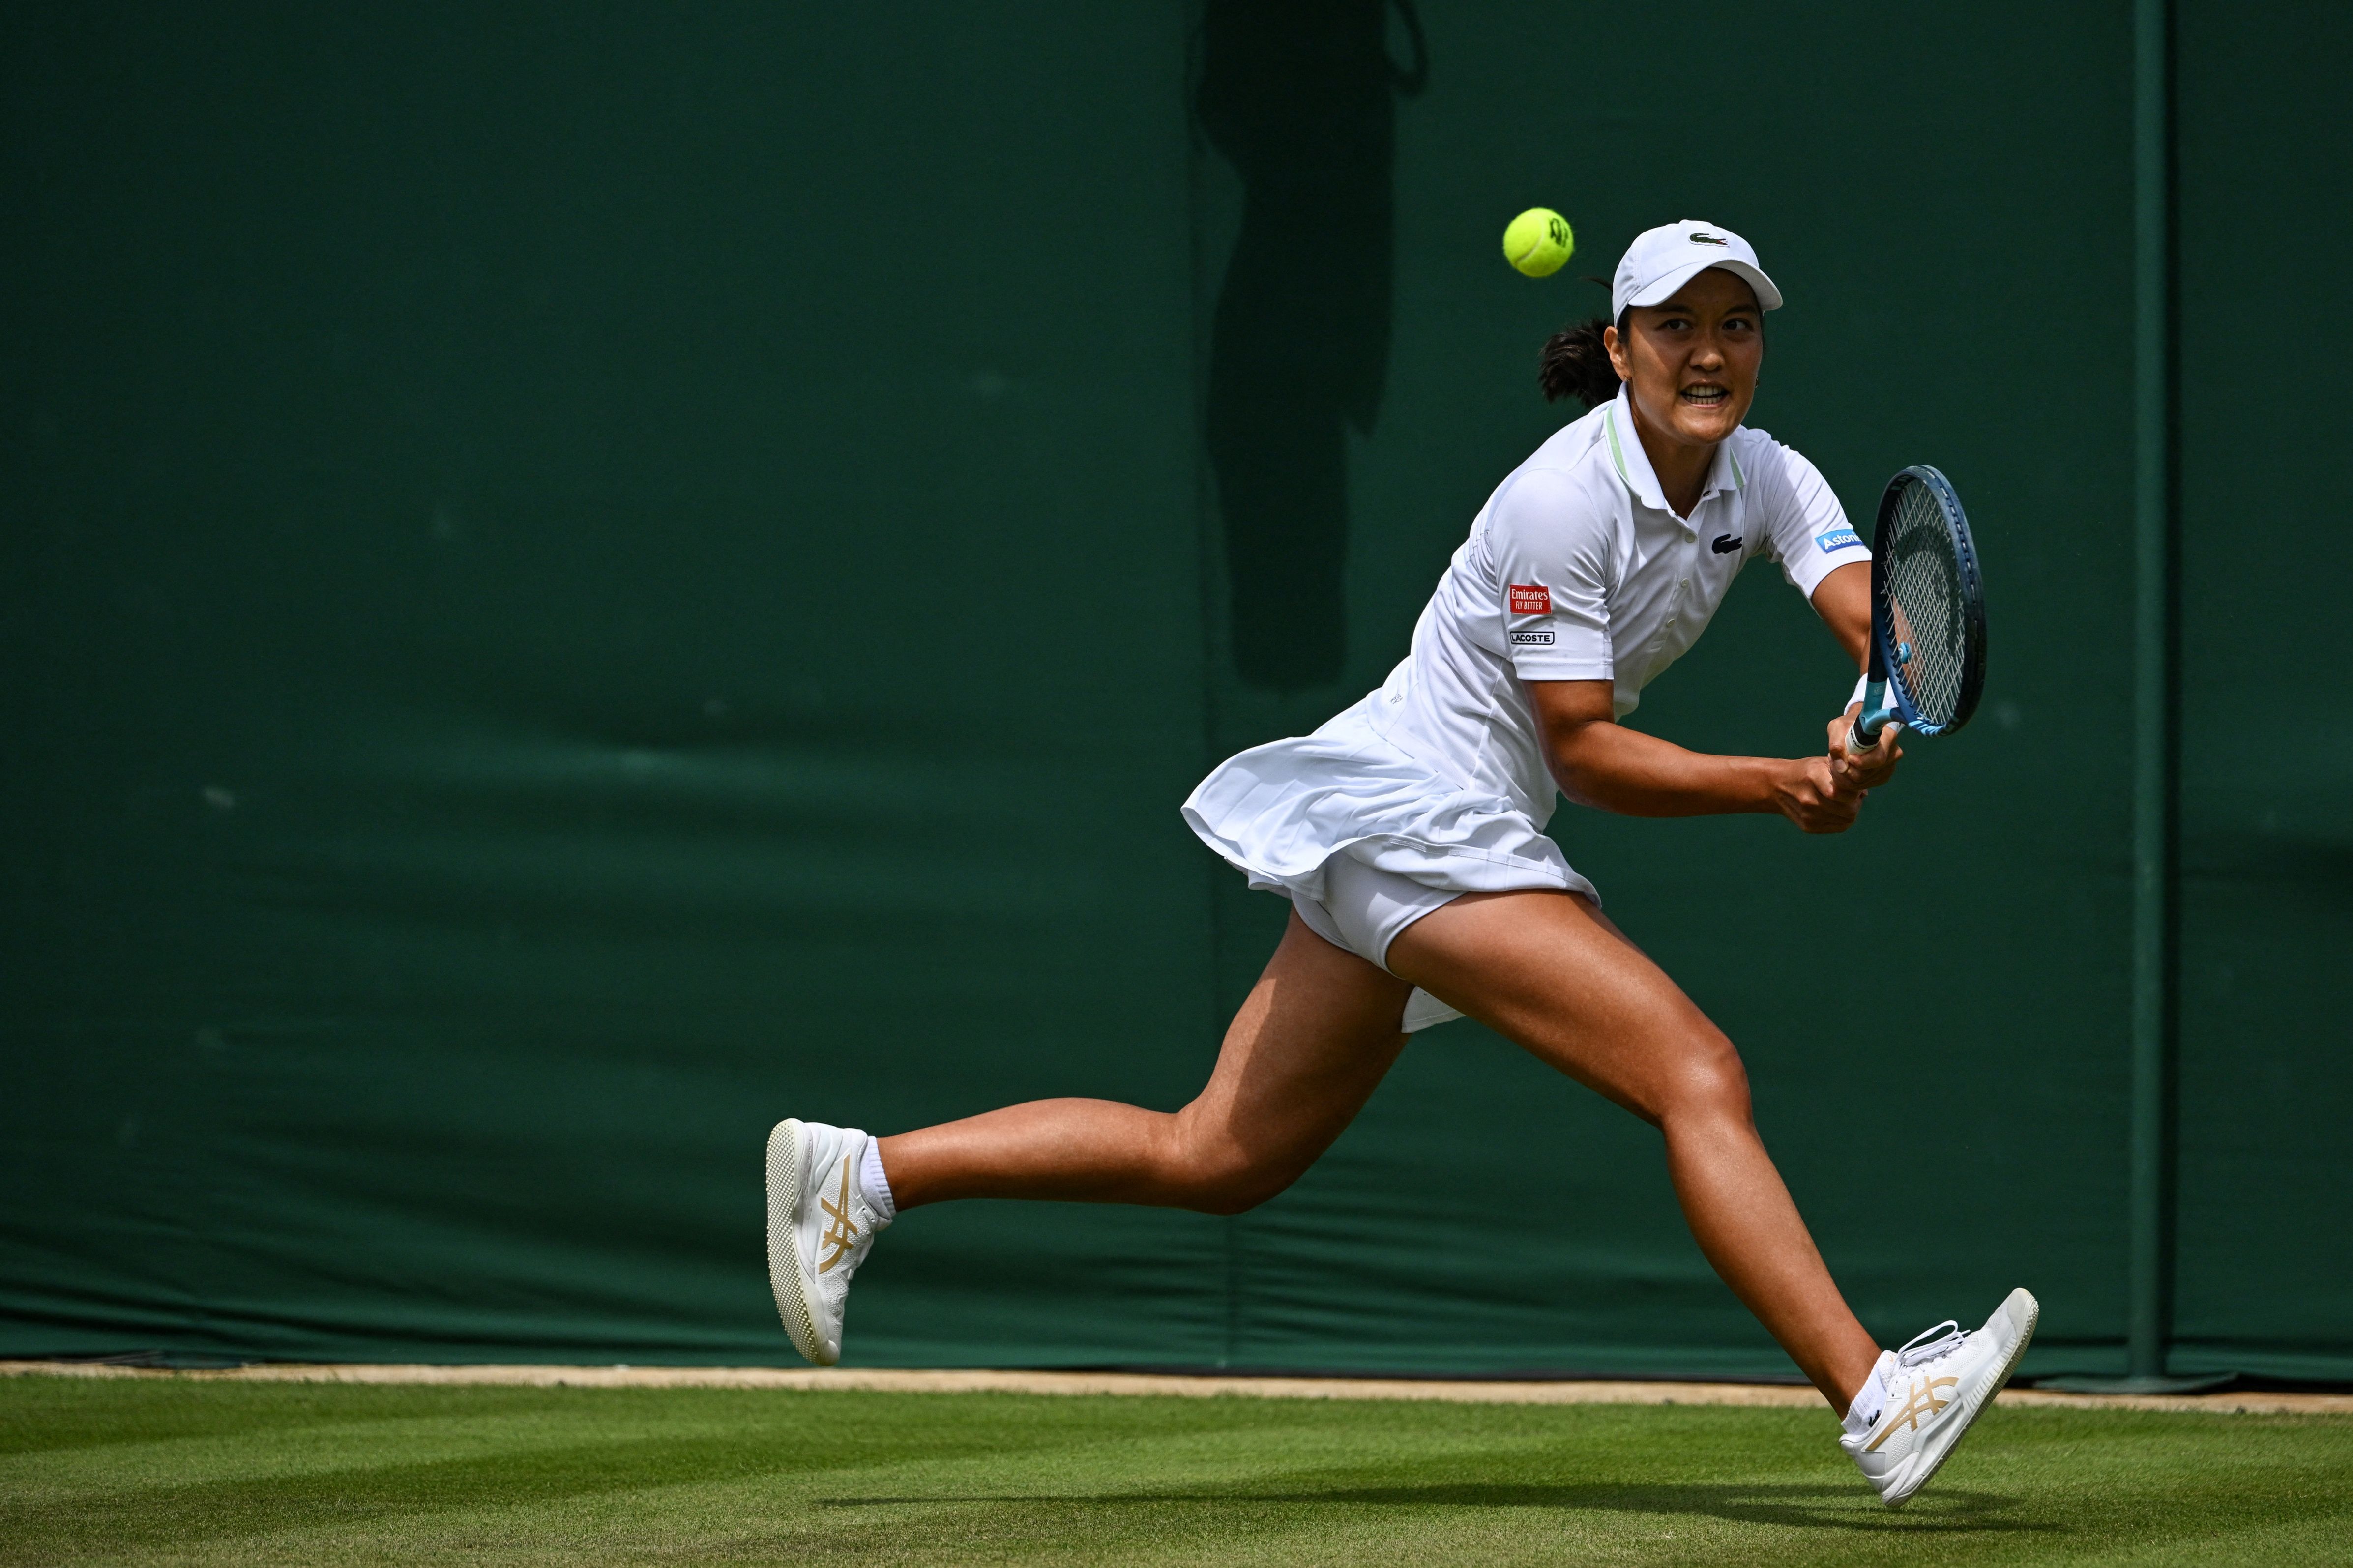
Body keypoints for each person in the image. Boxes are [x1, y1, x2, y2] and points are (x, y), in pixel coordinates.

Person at [765, 221, 2036, 1508]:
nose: (1708, 353)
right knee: (1692, 1069)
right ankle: (1878, 1400)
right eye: (1674, 327)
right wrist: (1782, 786)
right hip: (1416, 818)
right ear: (1618, 347)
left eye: (1735, 325)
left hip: (1432, 829)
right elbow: (1585, 754)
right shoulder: (1559, 503)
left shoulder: (1763, 474)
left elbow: (1874, 613)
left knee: (1217, 1154)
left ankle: (863, 1175)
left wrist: (1868, 705)